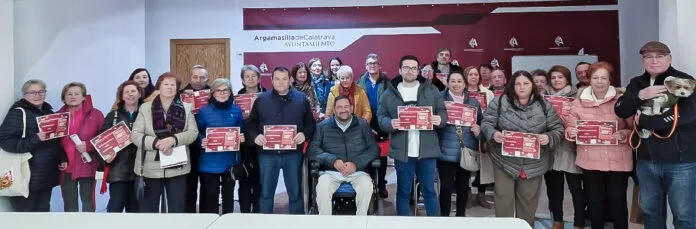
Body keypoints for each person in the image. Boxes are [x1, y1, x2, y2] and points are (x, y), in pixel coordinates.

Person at [614, 41, 696, 229]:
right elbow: (621, 110)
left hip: (681, 163)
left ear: (669, 58)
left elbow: (688, 115)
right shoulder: (637, 83)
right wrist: (640, 96)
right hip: (647, 161)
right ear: (643, 60)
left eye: (659, 56)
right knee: (651, 212)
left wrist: (647, 122)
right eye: (649, 57)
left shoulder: (684, 80)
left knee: (684, 215)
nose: (654, 61)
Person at [481, 70, 564, 226]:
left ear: (532, 85)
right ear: (512, 85)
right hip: (504, 161)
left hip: (534, 163)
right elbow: (486, 123)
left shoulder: (544, 105)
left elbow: (558, 129)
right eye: (518, 84)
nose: (522, 87)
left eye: (526, 83)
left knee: (528, 203)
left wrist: (549, 137)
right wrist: (493, 134)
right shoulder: (499, 102)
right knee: (503, 201)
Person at [377, 55, 447, 216]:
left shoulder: (431, 89)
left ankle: (434, 224)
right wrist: (390, 123)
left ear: (418, 71)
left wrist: (440, 119)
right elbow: (381, 117)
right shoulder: (389, 92)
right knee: (403, 191)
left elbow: (442, 111)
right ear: (400, 70)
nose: (410, 71)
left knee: (429, 190)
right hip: (403, 152)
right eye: (406, 68)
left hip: (427, 150)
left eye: (414, 68)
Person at [567, 61, 633, 229]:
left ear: (610, 80)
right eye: (595, 77)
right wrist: (571, 132)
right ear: (589, 79)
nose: (599, 81)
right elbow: (570, 126)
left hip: (618, 160)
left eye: (604, 78)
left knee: (617, 201)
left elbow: (635, 128)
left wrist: (625, 134)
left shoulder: (622, 100)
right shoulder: (578, 102)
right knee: (595, 202)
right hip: (590, 160)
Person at [247, 67, 316, 214]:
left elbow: (310, 123)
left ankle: (296, 225)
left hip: (293, 154)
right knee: (266, 194)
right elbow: (251, 123)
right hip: (267, 154)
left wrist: (304, 134)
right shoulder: (261, 99)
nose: (281, 82)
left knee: (295, 194)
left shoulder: (301, 99)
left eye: (284, 78)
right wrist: (255, 136)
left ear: (290, 80)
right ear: (271, 80)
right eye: (277, 79)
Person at [131, 72, 199, 213]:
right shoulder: (145, 108)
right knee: (148, 211)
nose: (169, 87)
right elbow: (136, 135)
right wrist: (157, 143)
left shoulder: (186, 108)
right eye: (166, 84)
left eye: (173, 85)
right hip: (150, 167)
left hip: (177, 166)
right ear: (159, 87)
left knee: (177, 209)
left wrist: (173, 140)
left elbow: (193, 133)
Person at [309, 95, 379, 215]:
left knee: (366, 186)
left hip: (358, 171)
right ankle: (324, 223)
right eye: (339, 107)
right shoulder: (322, 127)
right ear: (334, 109)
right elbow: (313, 150)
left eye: (346, 106)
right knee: (322, 186)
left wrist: (356, 164)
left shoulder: (362, 125)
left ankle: (361, 223)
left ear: (352, 108)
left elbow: (374, 149)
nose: (343, 110)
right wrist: (333, 161)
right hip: (331, 172)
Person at [0, 80, 63, 212]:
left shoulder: (50, 113)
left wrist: (62, 159)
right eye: (32, 92)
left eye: (41, 91)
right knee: (25, 218)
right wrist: (36, 138)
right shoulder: (18, 113)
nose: (37, 95)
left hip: (46, 175)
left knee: (43, 215)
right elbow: (6, 142)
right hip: (26, 176)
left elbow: (56, 141)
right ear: (24, 95)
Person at [543, 65, 584, 229]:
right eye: (553, 77)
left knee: (576, 189)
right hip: (551, 149)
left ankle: (579, 222)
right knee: (554, 189)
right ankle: (557, 220)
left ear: (567, 78)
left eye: (560, 77)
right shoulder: (543, 98)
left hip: (570, 148)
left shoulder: (578, 96)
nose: (556, 80)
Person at [437, 71, 483, 216]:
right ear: (448, 83)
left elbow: (481, 124)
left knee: (463, 186)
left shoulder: (473, 103)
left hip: (466, 150)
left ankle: (461, 216)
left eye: (459, 81)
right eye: (453, 81)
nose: (456, 84)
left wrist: (478, 131)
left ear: (465, 84)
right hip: (445, 151)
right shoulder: (440, 100)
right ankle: (444, 217)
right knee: (445, 187)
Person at [197, 78, 245, 214]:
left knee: (228, 198)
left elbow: (240, 130)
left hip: (230, 161)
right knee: (211, 197)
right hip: (209, 162)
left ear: (230, 92)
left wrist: (241, 137)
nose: (222, 93)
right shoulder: (203, 111)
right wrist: (202, 140)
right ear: (212, 93)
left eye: (226, 90)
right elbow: (198, 132)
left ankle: (227, 224)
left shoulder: (236, 111)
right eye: (218, 90)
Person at [57, 82, 105, 212]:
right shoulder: (57, 116)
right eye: (69, 94)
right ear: (63, 98)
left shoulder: (96, 114)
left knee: (88, 203)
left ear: (84, 97)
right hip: (66, 167)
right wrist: (60, 159)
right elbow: (54, 143)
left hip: (87, 165)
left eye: (77, 93)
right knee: (69, 205)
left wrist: (88, 145)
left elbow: (104, 138)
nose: (73, 96)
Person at [99, 81, 143, 213]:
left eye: (133, 91)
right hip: (118, 170)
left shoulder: (146, 114)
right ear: (121, 96)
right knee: (115, 206)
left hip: (140, 170)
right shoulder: (113, 116)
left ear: (139, 94)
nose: (130, 94)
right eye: (127, 92)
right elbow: (101, 141)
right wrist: (106, 156)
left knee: (136, 209)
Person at [357, 53, 390, 199]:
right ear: (365, 66)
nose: (372, 65)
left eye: (375, 63)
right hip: (365, 126)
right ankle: (369, 186)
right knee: (368, 156)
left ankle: (381, 185)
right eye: (369, 63)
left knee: (382, 158)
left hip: (382, 125)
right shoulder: (359, 83)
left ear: (379, 66)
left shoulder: (388, 82)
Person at [463, 65, 495, 209]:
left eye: (476, 74)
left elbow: (494, 112)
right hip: (465, 131)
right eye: (470, 75)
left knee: (484, 164)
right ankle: (468, 194)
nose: (474, 77)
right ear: (466, 77)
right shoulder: (461, 92)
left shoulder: (488, 93)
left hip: (482, 129)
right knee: (466, 164)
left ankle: (481, 195)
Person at [181, 64, 210, 213]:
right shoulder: (180, 95)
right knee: (189, 184)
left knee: (207, 183)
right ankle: (189, 217)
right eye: (195, 77)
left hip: (209, 143)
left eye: (202, 77)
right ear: (190, 77)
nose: (198, 80)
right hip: (187, 146)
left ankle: (207, 216)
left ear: (207, 79)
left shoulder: (214, 94)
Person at [236, 64, 265, 213]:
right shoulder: (235, 98)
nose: (251, 79)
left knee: (261, 181)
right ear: (242, 80)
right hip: (244, 145)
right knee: (245, 181)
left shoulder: (267, 95)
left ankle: (259, 214)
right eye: (247, 76)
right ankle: (244, 215)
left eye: (254, 76)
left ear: (259, 78)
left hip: (263, 144)